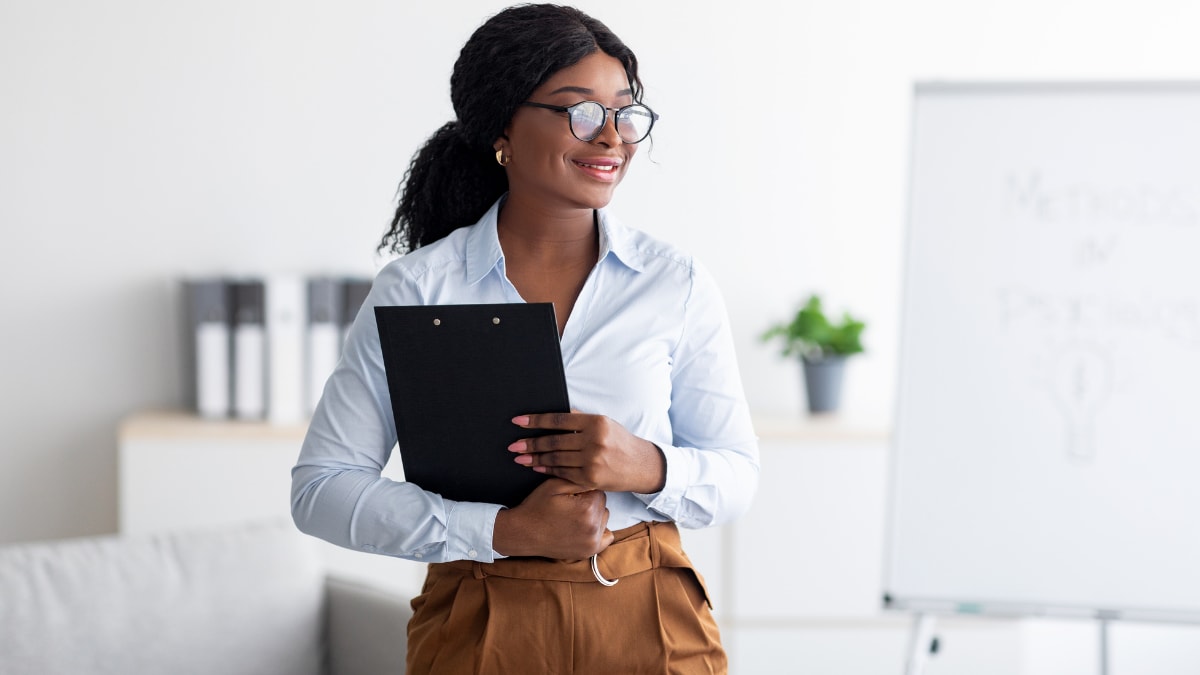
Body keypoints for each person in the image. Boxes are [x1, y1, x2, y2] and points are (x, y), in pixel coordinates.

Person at [291, 4, 759, 673]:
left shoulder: (675, 283)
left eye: (625, 112)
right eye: (581, 111)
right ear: (503, 126)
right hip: (480, 620)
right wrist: (503, 531)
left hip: (650, 617)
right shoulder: (417, 289)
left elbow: (738, 473)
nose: (612, 139)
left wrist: (646, 464)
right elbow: (322, 489)